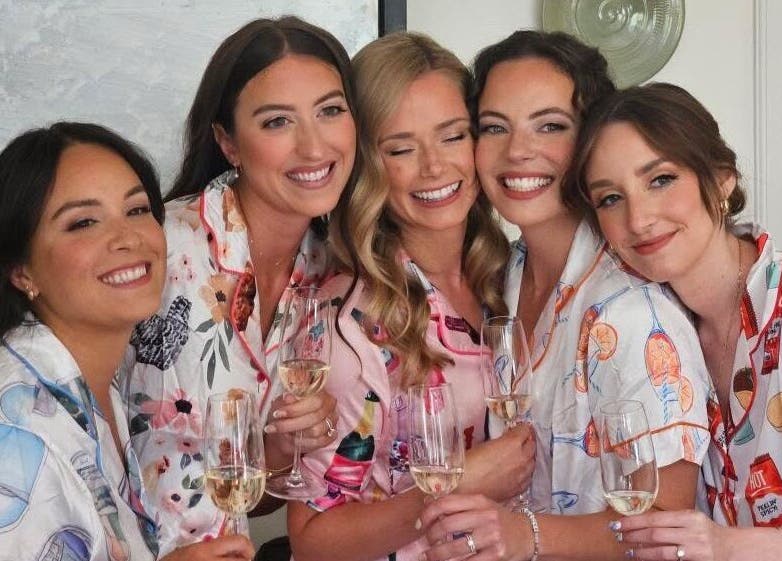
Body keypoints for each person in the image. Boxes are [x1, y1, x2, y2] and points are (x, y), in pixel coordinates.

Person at [419, 31, 713, 561]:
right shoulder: (503, 277)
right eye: (494, 128)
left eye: (550, 125)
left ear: (590, 141)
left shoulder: (631, 313)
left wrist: (522, 536)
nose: (517, 152)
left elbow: (669, 528)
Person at [286, 32, 535, 561]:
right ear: (367, 166)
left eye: (452, 137)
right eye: (400, 148)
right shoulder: (351, 329)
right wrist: (455, 481)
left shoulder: (510, 277)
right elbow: (312, 541)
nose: (434, 167)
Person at [118, 16, 356, 555]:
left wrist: (276, 450)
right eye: (277, 122)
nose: (314, 146)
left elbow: (250, 497)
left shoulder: (326, 273)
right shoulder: (161, 246)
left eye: (331, 111)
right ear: (228, 142)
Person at [0, 122, 255, 560]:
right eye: (83, 222)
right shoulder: (19, 435)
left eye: (137, 210)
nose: (128, 238)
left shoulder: (96, 382)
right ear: (21, 270)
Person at [566, 82, 782, 560]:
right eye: (610, 199)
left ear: (722, 178)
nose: (638, 219)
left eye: (660, 179)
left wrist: (731, 548)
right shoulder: (653, 331)